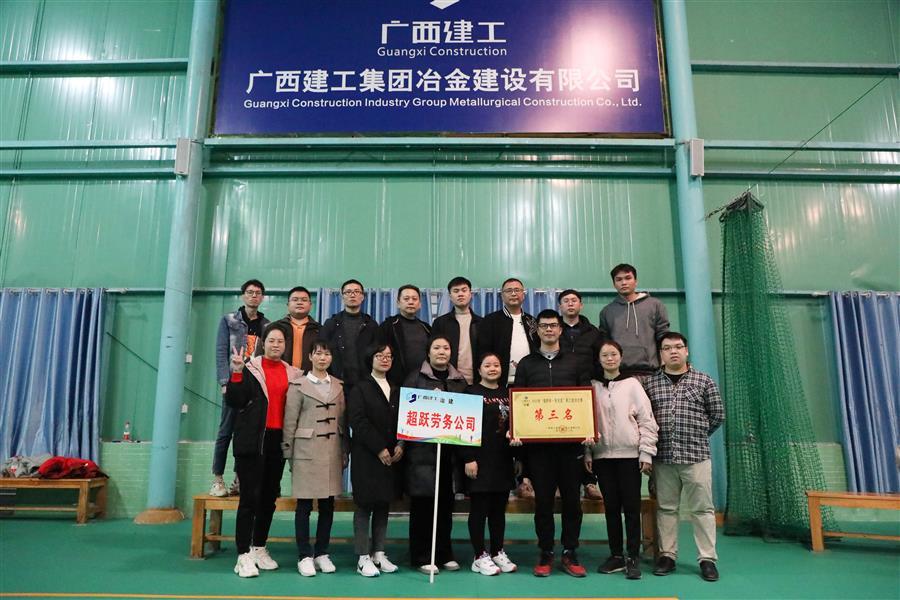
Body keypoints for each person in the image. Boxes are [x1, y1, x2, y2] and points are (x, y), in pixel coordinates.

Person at [513, 309, 592, 578]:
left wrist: (587, 430)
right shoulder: (526, 364)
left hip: (571, 447)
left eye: (553, 325)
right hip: (539, 450)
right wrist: (518, 431)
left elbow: (585, 399)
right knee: (543, 504)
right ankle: (546, 551)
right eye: (544, 326)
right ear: (537, 331)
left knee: (572, 503)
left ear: (560, 330)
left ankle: (570, 551)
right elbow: (519, 401)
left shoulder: (576, 362)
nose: (549, 329)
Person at [643, 332, 724, 582]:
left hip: (696, 457)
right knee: (666, 509)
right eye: (667, 348)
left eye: (678, 347)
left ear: (686, 351)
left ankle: (707, 559)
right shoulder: (650, 384)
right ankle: (667, 556)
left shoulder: (704, 380)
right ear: (661, 354)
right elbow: (645, 418)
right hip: (663, 458)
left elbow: (717, 415)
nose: (673, 351)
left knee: (702, 509)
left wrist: (696, 435)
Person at [226, 323, 300, 578]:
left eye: (280, 341)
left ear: (285, 345)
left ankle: (259, 547)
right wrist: (236, 372)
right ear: (263, 343)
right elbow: (234, 400)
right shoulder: (250, 369)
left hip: (277, 441)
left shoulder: (293, 373)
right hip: (252, 441)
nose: (276, 345)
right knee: (250, 498)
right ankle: (243, 554)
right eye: (271, 340)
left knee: (269, 498)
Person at [584, 340, 658, 580]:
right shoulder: (592, 387)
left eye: (613, 354)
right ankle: (616, 555)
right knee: (611, 508)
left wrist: (646, 453)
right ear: (599, 359)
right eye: (605, 355)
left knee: (632, 508)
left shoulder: (632, 385)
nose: (609, 358)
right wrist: (589, 453)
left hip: (629, 457)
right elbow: (586, 423)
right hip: (603, 458)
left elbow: (646, 420)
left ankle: (633, 556)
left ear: (620, 357)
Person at [282, 341, 349, 577]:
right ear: (310, 356)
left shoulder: (339, 386)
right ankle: (304, 555)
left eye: (327, 354)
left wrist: (345, 451)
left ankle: (322, 552)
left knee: (328, 505)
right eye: (318, 353)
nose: (323, 358)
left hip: (332, 452)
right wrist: (288, 452)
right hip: (305, 452)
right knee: (304, 506)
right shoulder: (298, 385)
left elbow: (343, 423)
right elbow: (290, 421)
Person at [402, 335, 468, 575]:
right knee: (423, 507)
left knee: (445, 507)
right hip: (422, 454)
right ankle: (421, 555)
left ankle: (444, 553)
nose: (442, 351)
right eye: (437, 348)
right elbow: (406, 414)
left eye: (446, 348)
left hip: (450, 454)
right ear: (428, 352)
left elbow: (466, 415)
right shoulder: (415, 378)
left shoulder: (459, 380)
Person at [347, 343, 404, 577]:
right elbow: (358, 421)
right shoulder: (360, 388)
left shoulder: (397, 388)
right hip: (367, 456)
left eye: (389, 356)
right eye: (380, 355)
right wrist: (379, 448)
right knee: (364, 505)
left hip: (392, 456)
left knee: (383, 504)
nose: (385, 359)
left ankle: (379, 553)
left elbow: (405, 420)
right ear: (370, 359)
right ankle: (362, 557)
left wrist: (401, 444)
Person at [459, 353, 518, 576]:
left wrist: (518, 456)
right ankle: (479, 556)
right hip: (479, 461)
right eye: (487, 365)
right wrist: (468, 458)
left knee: (498, 511)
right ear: (479, 370)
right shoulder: (471, 393)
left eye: (496, 365)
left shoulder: (508, 394)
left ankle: (497, 551)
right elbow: (462, 427)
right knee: (479, 509)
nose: (492, 368)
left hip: (503, 461)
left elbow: (516, 426)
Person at [212, 279, 269, 497]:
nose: (254, 296)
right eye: (250, 292)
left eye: (258, 293)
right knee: (225, 431)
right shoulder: (229, 320)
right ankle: (218, 479)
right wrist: (224, 382)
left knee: (247, 433)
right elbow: (221, 352)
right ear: (243, 295)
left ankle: (239, 478)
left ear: (262, 297)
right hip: (233, 383)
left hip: (254, 387)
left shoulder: (267, 325)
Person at [557, 288, 604, 500]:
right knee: (561, 435)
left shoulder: (594, 333)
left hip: (586, 389)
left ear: (581, 305)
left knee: (586, 436)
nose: (570, 304)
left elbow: (600, 360)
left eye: (574, 300)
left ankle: (590, 482)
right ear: (560, 306)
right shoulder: (554, 329)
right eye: (565, 301)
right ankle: (558, 484)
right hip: (559, 390)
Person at [598, 264, 669, 377]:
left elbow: (664, 337)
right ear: (614, 284)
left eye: (628, 278)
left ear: (636, 281)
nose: (624, 282)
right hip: (619, 374)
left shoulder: (655, 305)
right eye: (619, 279)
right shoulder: (607, 312)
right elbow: (605, 344)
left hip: (651, 373)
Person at [320, 279, 378, 395]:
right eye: (348, 292)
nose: (352, 295)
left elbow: (377, 354)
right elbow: (322, 352)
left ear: (362, 297)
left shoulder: (371, 325)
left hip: (365, 384)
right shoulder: (331, 323)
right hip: (335, 383)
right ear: (342, 297)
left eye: (357, 292)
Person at [478, 277, 538, 386]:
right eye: (509, 291)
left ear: (523, 294)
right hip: (499, 382)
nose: (513, 294)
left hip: (529, 381)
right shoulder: (490, 320)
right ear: (502, 296)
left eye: (517, 290)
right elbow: (483, 351)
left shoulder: (532, 321)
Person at [431, 276, 482, 385]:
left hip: (477, 381)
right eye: (456, 291)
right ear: (450, 296)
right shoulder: (440, 322)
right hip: (448, 381)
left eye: (464, 290)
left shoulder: (482, 323)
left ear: (470, 294)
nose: (460, 294)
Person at [379, 285, 431, 386]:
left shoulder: (427, 328)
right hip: (396, 383)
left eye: (414, 299)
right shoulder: (388, 326)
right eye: (406, 299)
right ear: (398, 303)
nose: (411, 302)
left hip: (423, 382)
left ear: (420, 304)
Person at [263, 286, 321, 371]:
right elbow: (263, 355)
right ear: (288, 305)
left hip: (310, 377)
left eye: (304, 300)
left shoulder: (320, 330)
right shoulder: (274, 327)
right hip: (279, 375)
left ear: (310, 305)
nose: (299, 303)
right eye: (295, 299)